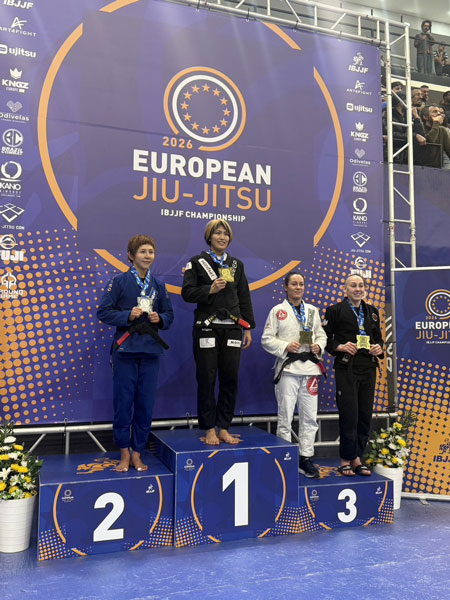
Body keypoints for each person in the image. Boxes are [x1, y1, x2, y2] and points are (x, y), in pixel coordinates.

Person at [97, 235, 174, 472]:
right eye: (142, 251)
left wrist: (159, 318)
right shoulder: (119, 282)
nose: (147, 256)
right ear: (131, 256)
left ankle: (138, 453)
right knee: (123, 404)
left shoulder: (158, 286)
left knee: (145, 405)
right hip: (125, 351)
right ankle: (123, 454)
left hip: (150, 352)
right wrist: (126, 315)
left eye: (151, 251)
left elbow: (169, 316)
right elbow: (103, 312)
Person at [182, 219, 255, 446]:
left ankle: (223, 427)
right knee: (207, 378)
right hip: (207, 327)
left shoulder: (236, 265)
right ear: (209, 237)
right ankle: (209, 429)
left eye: (226, 234)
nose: (222, 237)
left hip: (232, 328)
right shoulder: (197, 262)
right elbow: (187, 293)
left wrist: (247, 327)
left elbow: (244, 297)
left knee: (230, 378)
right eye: (218, 233)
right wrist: (209, 289)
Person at [261, 272, 327, 478]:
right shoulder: (278, 311)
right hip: (289, 369)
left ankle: (305, 457)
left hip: (310, 369)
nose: (298, 287)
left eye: (301, 284)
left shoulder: (312, 311)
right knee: (285, 416)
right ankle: (285, 458)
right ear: (286, 287)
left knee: (310, 417)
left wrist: (319, 346)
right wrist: (285, 345)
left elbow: (321, 335)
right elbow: (266, 339)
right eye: (294, 284)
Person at [323, 275, 383, 477]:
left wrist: (378, 348)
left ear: (365, 289)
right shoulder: (334, 311)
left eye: (361, 285)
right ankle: (345, 459)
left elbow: (379, 340)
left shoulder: (372, 312)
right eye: (353, 285)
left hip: (368, 367)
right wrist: (339, 346)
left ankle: (357, 458)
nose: (358, 289)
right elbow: (325, 339)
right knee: (350, 415)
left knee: (365, 415)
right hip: (347, 368)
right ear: (345, 289)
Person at [415, 104, 450, 168]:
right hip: (419, 167)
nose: (439, 114)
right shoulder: (419, 128)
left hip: (437, 168)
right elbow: (429, 142)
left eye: (439, 112)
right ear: (425, 117)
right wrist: (436, 123)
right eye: (434, 112)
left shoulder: (442, 130)